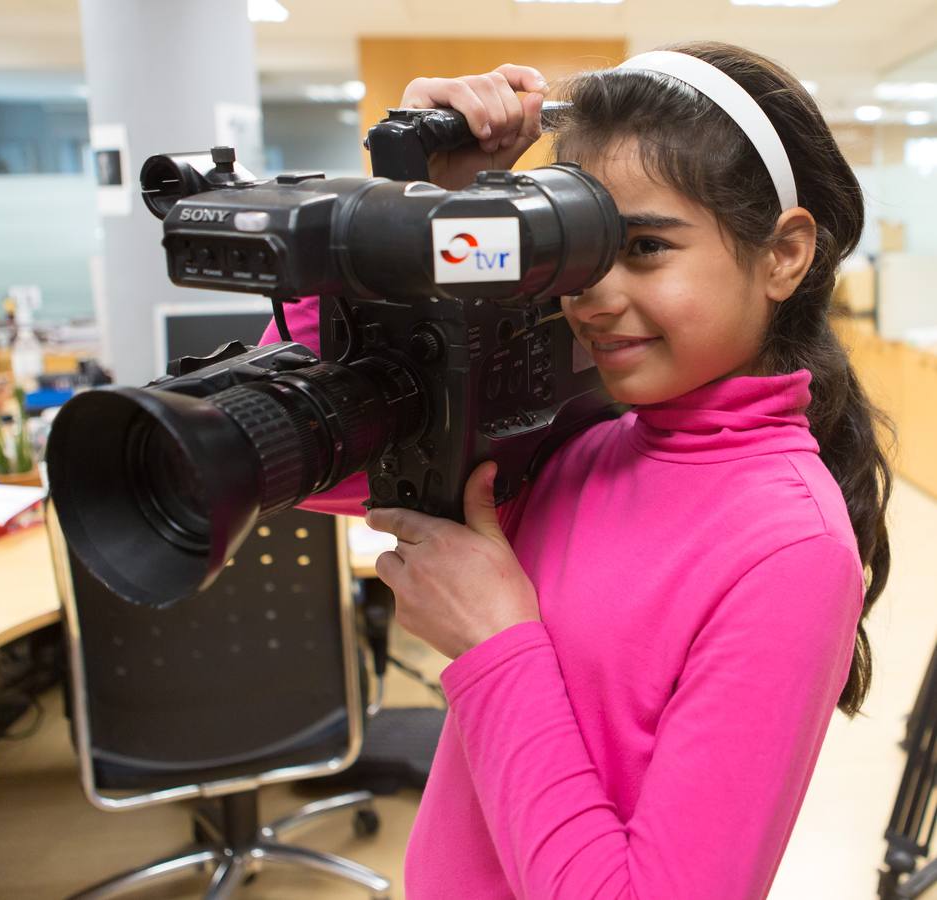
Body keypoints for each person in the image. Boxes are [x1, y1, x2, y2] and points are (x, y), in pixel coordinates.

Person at [261, 41, 893, 898]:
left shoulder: (788, 547)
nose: (593, 297)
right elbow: (312, 454)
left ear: (781, 254)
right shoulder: (579, 437)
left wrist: (492, 644)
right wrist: (406, 219)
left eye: (643, 248)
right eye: (583, 253)